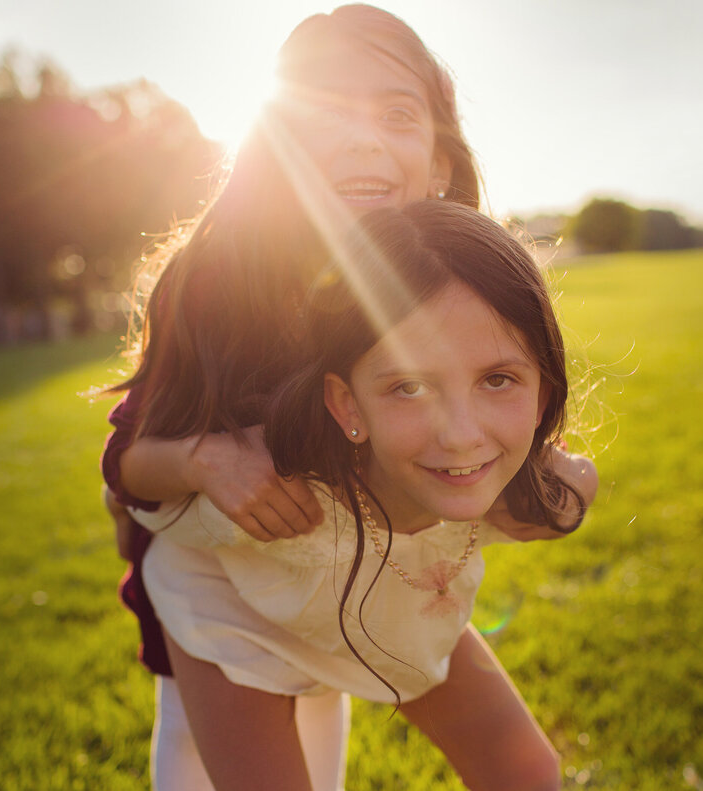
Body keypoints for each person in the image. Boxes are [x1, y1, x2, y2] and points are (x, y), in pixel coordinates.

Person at [100, 5, 591, 788]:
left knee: (523, 767)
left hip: (371, 577)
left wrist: (543, 473)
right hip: (226, 583)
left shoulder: (454, 272)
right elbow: (129, 464)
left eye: (398, 113)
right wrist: (206, 458)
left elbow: (490, 407)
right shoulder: (220, 280)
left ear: (437, 162)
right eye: (324, 111)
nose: (363, 136)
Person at [131, 200, 596, 791]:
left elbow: (572, 482)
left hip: (383, 609)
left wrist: (574, 490)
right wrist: (196, 463)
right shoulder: (274, 481)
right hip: (233, 603)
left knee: (527, 771)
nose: (460, 436)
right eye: (408, 386)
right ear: (347, 405)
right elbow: (137, 484)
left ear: (542, 387)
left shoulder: (507, 483)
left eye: (497, 379)